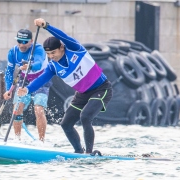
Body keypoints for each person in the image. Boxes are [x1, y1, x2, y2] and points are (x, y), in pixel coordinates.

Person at [18, 18, 113, 154]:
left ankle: (89, 154)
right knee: (66, 124)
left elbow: (63, 36)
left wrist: (46, 26)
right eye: (48, 54)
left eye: (53, 53)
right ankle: (79, 152)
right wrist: (27, 89)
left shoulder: (75, 49)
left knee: (85, 117)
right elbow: (40, 80)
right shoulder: (52, 67)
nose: (51, 56)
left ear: (61, 48)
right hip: (82, 94)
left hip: (101, 88)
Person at [3, 29, 51, 142]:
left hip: (41, 81)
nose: (22, 44)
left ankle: (41, 141)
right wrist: (7, 89)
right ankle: (17, 139)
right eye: (19, 41)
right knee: (17, 108)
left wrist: (29, 66)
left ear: (31, 41)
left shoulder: (38, 49)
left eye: (25, 42)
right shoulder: (13, 52)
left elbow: (38, 64)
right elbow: (9, 72)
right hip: (25, 81)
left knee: (38, 110)